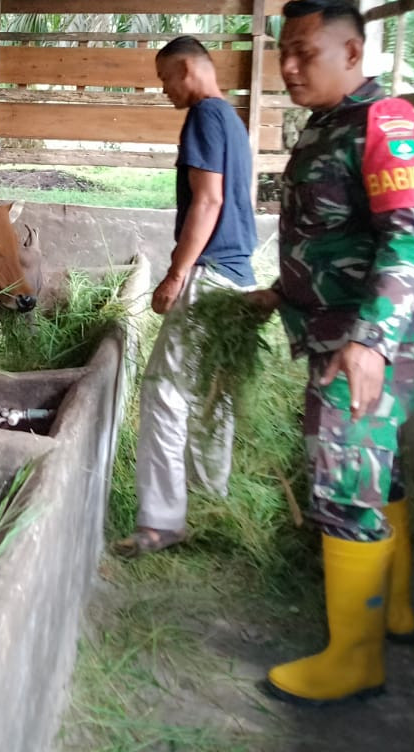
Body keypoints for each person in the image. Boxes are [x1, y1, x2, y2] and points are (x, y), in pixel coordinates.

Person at [244, 0, 414, 706]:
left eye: (306, 53)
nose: (290, 67)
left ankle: (354, 661)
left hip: (368, 345)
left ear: (353, 52)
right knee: (374, 474)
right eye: (285, 53)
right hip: (338, 335)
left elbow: (410, 239)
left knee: (341, 480)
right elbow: (332, 234)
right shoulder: (328, 125)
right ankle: (394, 612)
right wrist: (283, 290)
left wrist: (372, 343)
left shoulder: (387, 121)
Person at [114, 36, 257, 557]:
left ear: (187, 69)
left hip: (209, 274)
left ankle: (161, 522)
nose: (164, 90)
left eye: (164, 78)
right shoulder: (232, 119)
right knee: (213, 396)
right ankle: (213, 503)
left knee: (163, 394)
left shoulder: (203, 116)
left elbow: (209, 200)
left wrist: (176, 274)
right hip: (239, 276)